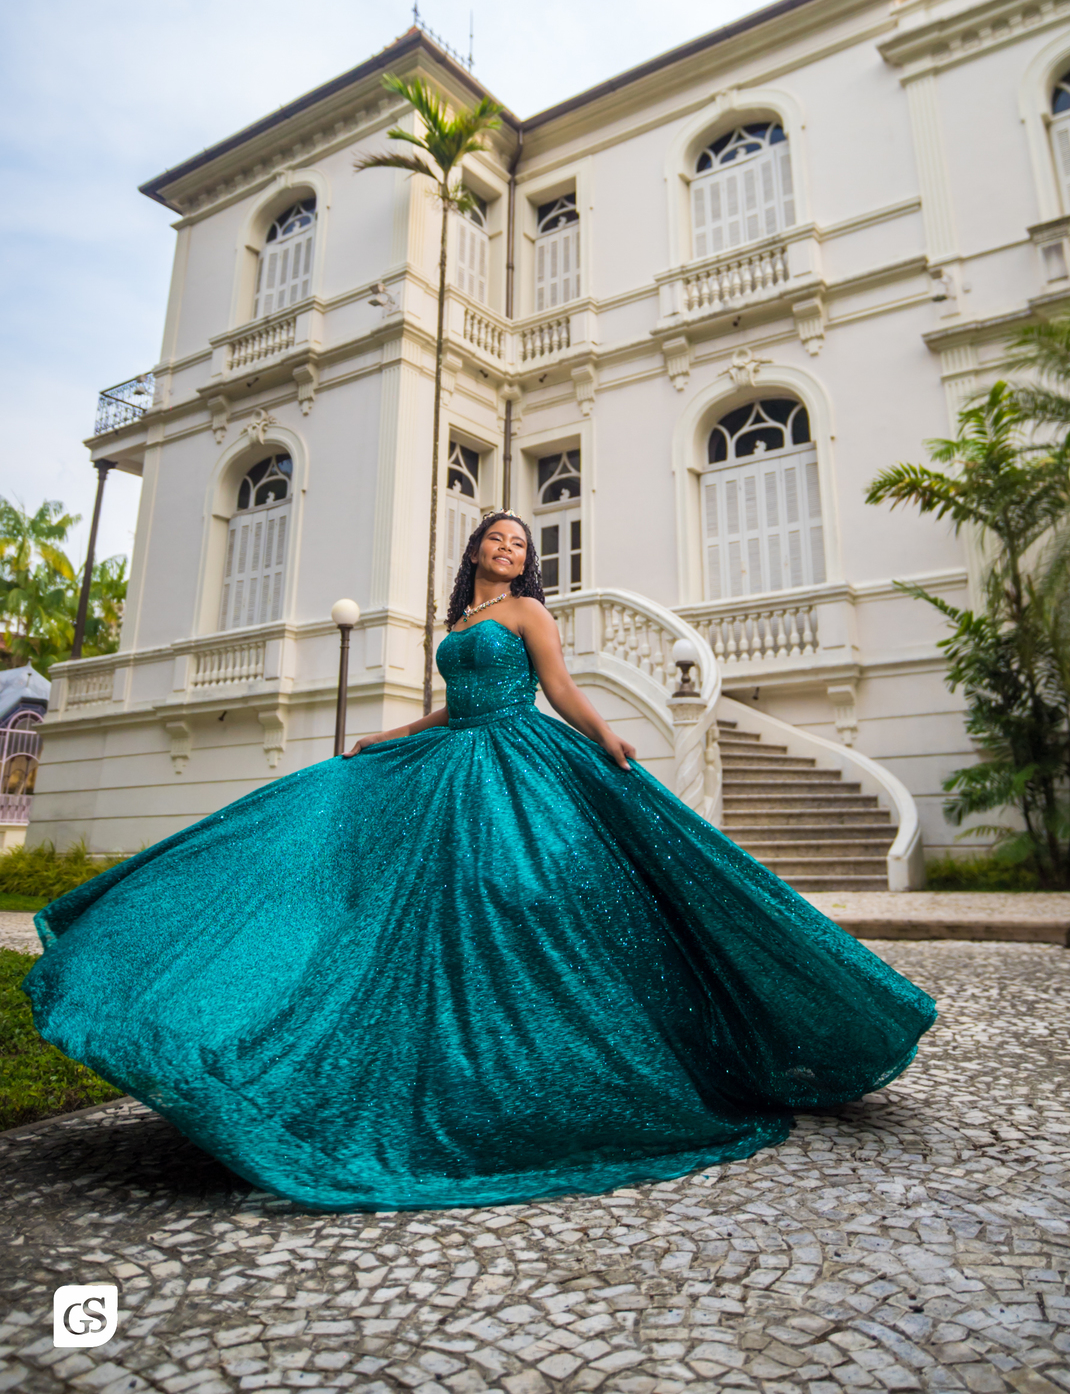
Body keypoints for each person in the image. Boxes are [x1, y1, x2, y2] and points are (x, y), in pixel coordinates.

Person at [24, 512, 935, 1212]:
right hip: (451, 758)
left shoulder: (531, 611)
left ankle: (547, 1057)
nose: (507, 548)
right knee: (388, 888)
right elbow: (454, 702)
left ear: (527, 562)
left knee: (516, 888)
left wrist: (607, 736)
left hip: (516, 760)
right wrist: (394, 734)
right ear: (475, 552)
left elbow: (559, 687)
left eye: (519, 543)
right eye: (496, 538)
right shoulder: (463, 617)